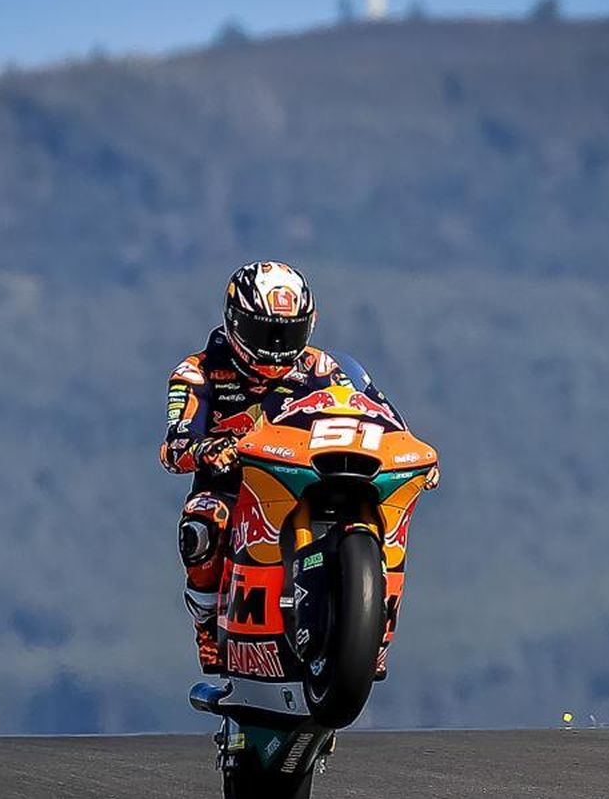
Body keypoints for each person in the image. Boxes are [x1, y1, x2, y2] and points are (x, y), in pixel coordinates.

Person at [160, 260, 437, 675]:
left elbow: (380, 413)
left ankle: (372, 630)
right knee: (202, 524)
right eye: (263, 332)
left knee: (382, 509)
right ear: (235, 322)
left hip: (307, 475)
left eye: (287, 333)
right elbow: (175, 444)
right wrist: (206, 448)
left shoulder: (326, 369)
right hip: (236, 485)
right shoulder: (197, 372)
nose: (275, 346)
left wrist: (412, 454)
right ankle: (207, 624)